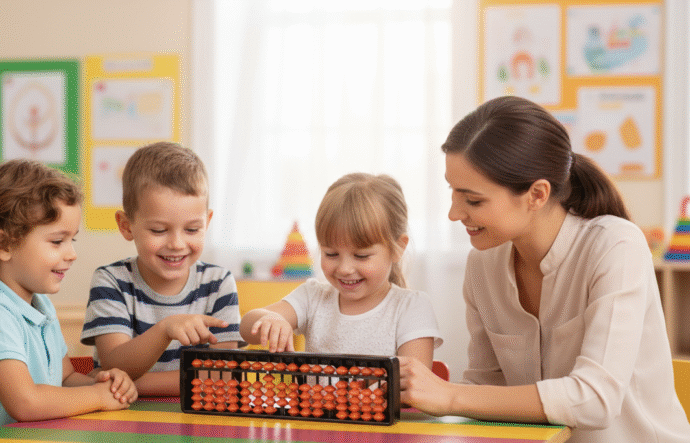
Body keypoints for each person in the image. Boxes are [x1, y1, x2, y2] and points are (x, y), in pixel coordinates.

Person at [399, 95, 690, 442]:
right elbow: (486, 390)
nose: (454, 213)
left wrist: (449, 395)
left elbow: (596, 399)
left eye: (473, 200)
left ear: (537, 194)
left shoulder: (616, 246)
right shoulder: (483, 265)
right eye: (453, 193)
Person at [0, 160, 137, 443]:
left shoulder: (39, 304)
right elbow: (25, 402)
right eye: (57, 241)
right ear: (3, 245)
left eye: (71, 239)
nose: (72, 253)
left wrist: (101, 383)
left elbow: (64, 379)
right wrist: (97, 397)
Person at [81, 142, 242, 397]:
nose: (176, 244)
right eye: (158, 230)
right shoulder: (111, 281)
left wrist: (134, 384)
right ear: (126, 226)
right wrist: (165, 329)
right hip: (121, 421)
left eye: (192, 229)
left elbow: (222, 374)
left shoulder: (218, 282)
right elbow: (115, 363)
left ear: (207, 222)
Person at [240, 173, 442, 367]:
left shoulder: (412, 308)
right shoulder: (313, 297)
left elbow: (414, 385)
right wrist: (270, 320)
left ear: (398, 248)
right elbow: (246, 326)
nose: (344, 269)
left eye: (361, 256)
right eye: (331, 254)